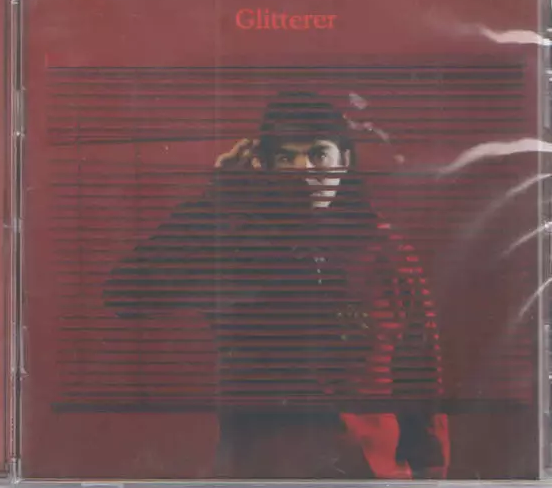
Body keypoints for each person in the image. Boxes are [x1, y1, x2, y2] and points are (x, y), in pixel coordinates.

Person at [104, 92, 449, 479]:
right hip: (261, 472)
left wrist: (430, 474)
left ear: (345, 161)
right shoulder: (233, 249)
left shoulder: (387, 252)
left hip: (373, 472)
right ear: (266, 167)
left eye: (318, 153)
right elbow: (126, 293)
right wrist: (212, 202)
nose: (303, 169)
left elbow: (421, 374)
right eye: (286, 157)